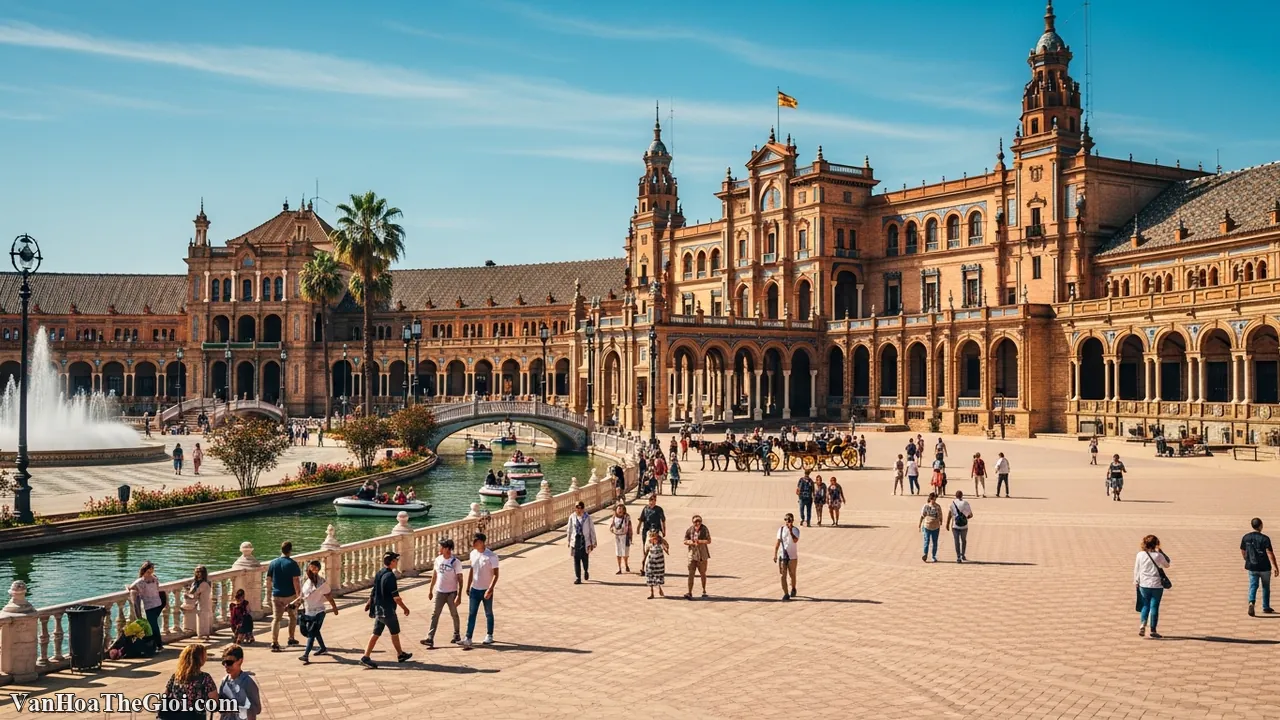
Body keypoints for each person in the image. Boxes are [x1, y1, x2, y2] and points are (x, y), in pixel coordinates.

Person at [360, 551, 412, 667]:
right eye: (396, 560)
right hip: (388, 611)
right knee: (394, 632)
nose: (397, 562)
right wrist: (405, 608)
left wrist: (369, 603)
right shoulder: (390, 576)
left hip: (379, 609)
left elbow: (374, 590)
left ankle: (366, 656)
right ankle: (400, 654)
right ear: (392, 562)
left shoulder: (379, 573)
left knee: (376, 633)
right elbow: (396, 597)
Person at [158, 644, 217, 720]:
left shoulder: (176, 676)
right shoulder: (205, 678)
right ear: (200, 659)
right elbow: (215, 700)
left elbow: (165, 695)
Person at [423, 538, 463, 648]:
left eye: (441, 547)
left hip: (451, 593)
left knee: (454, 614)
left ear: (447, 549)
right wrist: (431, 590)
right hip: (439, 592)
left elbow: (460, 579)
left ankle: (457, 634)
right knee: (435, 614)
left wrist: (459, 595)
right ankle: (430, 638)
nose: (439, 549)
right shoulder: (438, 560)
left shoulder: (456, 562)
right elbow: (434, 575)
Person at [463, 533, 500, 648]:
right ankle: (468, 637)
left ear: (482, 542)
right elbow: (472, 570)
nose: (473, 544)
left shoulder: (491, 556)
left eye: (475, 541)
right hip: (475, 589)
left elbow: (496, 575)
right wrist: (468, 586)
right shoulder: (473, 554)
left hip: (486, 589)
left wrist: (490, 589)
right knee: (472, 614)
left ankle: (489, 634)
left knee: (488, 613)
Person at [296, 560, 336, 664]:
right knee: (314, 631)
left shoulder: (321, 583)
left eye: (313, 568)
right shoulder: (306, 582)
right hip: (308, 612)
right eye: (310, 568)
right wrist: (295, 605)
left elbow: (329, 596)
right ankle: (323, 648)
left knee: (311, 633)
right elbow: (303, 597)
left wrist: (335, 608)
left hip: (319, 612)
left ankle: (306, 655)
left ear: (317, 570)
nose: (310, 570)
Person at [265, 542, 301, 652]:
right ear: (290, 550)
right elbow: (296, 581)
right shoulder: (293, 564)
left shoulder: (273, 563)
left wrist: (270, 592)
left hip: (276, 595)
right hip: (290, 596)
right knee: (293, 617)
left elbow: (268, 580)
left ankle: (274, 641)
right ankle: (291, 638)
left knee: (276, 619)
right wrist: (299, 596)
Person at [1134, 535, 1171, 638]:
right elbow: (1167, 565)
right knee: (1154, 606)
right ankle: (1153, 630)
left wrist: (1136, 581)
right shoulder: (1158, 555)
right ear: (1156, 544)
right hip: (1157, 585)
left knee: (1145, 605)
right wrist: (1162, 553)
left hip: (1143, 584)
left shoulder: (1140, 555)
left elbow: (1137, 569)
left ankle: (1142, 625)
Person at [1241, 518, 1278, 617]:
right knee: (1266, 587)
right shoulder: (1265, 538)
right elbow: (1270, 553)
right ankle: (1266, 606)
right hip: (1265, 567)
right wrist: (1275, 566)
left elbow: (1243, 550)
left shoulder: (1246, 537)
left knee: (1253, 585)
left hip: (1252, 567)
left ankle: (1251, 602)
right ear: (1261, 525)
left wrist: (1246, 559)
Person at [128, 560, 166, 652]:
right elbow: (131, 588)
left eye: (152, 570)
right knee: (153, 625)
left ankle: (159, 645)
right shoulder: (145, 580)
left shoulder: (149, 580)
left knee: (153, 625)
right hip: (153, 605)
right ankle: (155, 644)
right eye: (149, 571)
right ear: (144, 570)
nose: (151, 573)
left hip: (154, 605)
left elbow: (131, 587)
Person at [218, 645, 261, 720]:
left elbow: (257, 709)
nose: (226, 666)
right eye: (224, 662)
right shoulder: (224, 681)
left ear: (240, 661)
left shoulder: (248, 683)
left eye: (229, 663)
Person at [566, 501, 598, 584]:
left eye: (580, 508)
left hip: (585, 540)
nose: (578, 510)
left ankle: (586, 570)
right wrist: (568, 540)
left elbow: (592, 530)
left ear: (583, 508)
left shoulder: (587, 517)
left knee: (584, 558)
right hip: (576, 540)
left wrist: (593, 541)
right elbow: (569, 529)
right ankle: (578, 578)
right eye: (577, 508)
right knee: (576, 559)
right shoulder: (572, 517)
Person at [683, 515, 712, 599]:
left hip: (702, 555)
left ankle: (704, 590)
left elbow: (709, 540)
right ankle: (689, 592)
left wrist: (700, 541)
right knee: (691, 573)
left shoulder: (704, 529)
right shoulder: (690, 530)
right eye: (695, 521)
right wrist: (691, 542)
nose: (697, 523)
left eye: (699, 521)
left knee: (702, 573)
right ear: (692, 522)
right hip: (692, 554)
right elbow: (685, 540)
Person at [774, 512, 800, 600]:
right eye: (786, 519)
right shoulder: (781, 530)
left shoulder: (796, 530)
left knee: (792, 574)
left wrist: (790, 531)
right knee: (783, 575)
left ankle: (793, 588)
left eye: (789, 519)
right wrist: (775, 554)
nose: (787, 521)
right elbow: (778, 542)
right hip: (782, 556)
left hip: (792, 557)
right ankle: (785, 593)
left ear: (792, 520)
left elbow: (795, 540)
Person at [183, 565, 213, 639]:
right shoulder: (203, 582)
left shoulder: (203, 584)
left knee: (202, 619)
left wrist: (186, 594)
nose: (198, 574)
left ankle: (202, 635)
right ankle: (205, 634)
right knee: (204, 619)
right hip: (204, 603)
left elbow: (195, 594)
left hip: (203, 603)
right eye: (197, 572)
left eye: (200, 572)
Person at [946, 491, 973, 563]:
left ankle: (958, 557)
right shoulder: (965, 503)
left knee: (956, 541)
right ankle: (963, 554)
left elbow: (949, 514)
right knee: (963, 540)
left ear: (955, 496)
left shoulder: (952, 503)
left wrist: (947, 524)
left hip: (955, 525)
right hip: (964, 526)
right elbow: (971, 515)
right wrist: (964, 517)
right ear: (962, 495)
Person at [643, 530, 669, 598]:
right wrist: (644, 561)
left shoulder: (661, 540)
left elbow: (667, 546)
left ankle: (660, 588)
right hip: (651, 561)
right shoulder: (649, 541)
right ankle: (652, 593)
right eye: (652, 535)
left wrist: (665, 547)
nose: (654, 536)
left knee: (659, 575)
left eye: (655, 535)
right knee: (650, 575)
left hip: (659, 562)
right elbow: (646, 550)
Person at [919, 493, 942, 563]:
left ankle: (933, 556)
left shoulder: (938, 506)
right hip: (927, 526)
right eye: (933, 499)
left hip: (936, 527)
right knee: (926, 541)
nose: (934, 500)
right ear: (930, 498)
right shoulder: (926, 506)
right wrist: (919, 524)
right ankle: (925, 554)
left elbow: (940, 515)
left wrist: (941, 521)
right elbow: (922, 515)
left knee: (935, 542)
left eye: (935, 499)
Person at [611, 504, 633, 574]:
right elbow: (611, 526)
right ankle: (619, 568)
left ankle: (626, 564)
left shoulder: (627, 517)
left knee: (625, 553)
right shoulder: (614, 517)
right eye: (619, 508)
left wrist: (630, 537)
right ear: (616, 510)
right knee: (618, 552)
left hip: (625, 537)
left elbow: (630, 527)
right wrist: (612, 530)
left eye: (621, 509)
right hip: (617, 537)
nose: (620, 510)